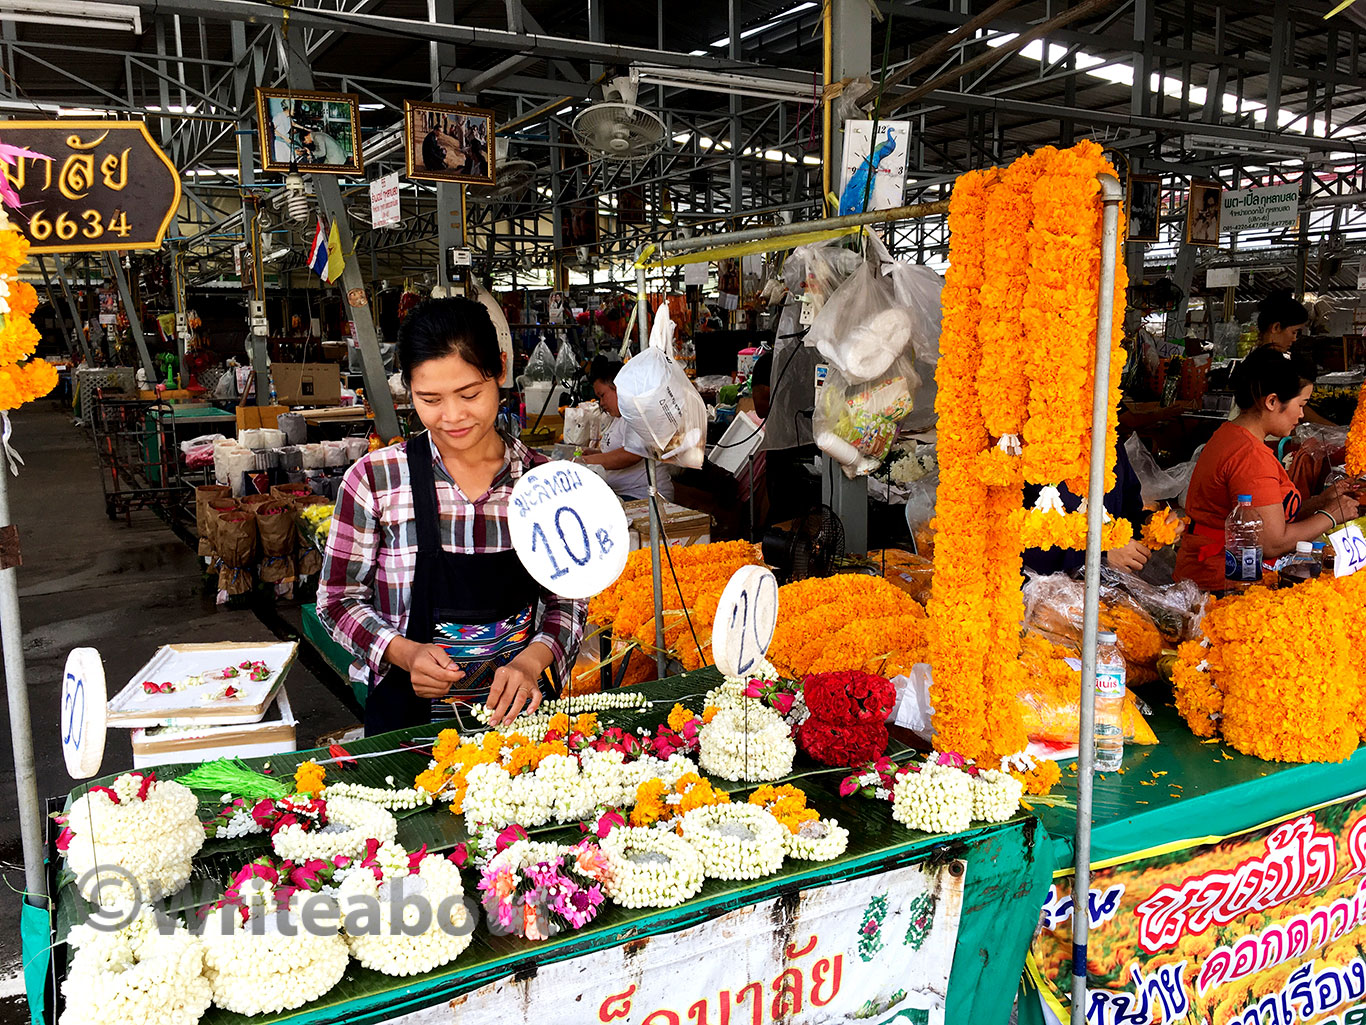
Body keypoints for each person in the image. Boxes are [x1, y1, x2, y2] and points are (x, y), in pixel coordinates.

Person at [318, 298, 586, 736]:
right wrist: (404, 653)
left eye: (470, 394)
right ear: (408, 388)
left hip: (522, 733)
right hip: (408, 733)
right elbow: (336, 600)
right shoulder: (375, 480)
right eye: (430, 399)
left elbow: (568, 600)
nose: (454, 416)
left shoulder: (543, 483)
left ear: (500, 369)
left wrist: (531, 661)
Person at [1174, 346, 1358, 590]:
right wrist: (1331, 516)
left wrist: (1322, 501)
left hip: (1212, 573)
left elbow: (1266, 515)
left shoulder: (1233, 434)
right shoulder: (1250, 456)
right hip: (1223, 583)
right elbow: (1271, 541)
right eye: (1301, 404)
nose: (1302, 415)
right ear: (1272, 401)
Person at [1022, 439, 1152, 577]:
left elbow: (1128, 515)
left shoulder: (1110, 441)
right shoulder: (1022, 442)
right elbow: (1010, 536)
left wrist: (1151, 525)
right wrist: (1099, 554)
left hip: (1106, 587)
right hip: (1041, 588)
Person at [579, 355, 673, 501]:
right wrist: (595, 453)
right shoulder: (619, 418)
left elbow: (631, 454)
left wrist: (587, 462)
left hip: (643, 496)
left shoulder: (638, 414)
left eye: (602, 395)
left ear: (618, 388)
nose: (601, 403)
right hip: (624, 494)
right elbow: (620, 449)